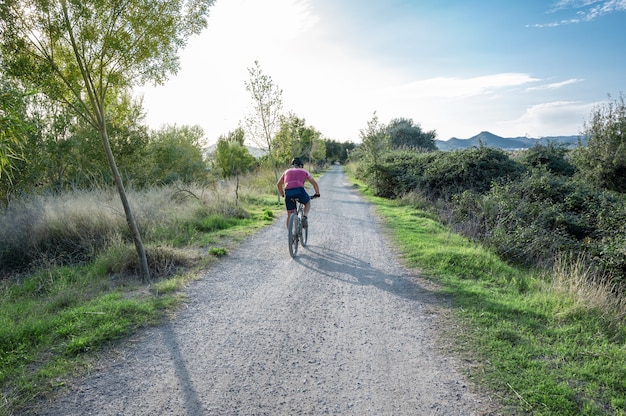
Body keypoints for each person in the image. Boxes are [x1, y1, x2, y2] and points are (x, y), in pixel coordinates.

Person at [276, 157, 320, 228]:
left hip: (288, 192)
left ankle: (290, 236)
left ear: (292, 165)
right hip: (299, 191)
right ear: (301, 166)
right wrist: (317, 193)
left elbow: (278, 184)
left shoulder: (286, 172)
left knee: (289, 215)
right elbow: (314, 184)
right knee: (307, 202)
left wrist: (282, 194)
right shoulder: (304, 171)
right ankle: (304, 217)